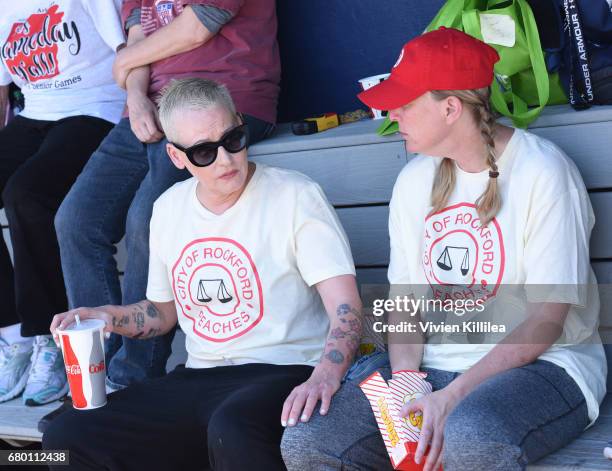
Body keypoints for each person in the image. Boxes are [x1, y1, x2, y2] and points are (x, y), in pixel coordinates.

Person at [281, 27, 607, 471]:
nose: (392, 114)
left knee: (468, 436)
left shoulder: (543, 171)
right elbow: (405, 305)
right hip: (433, 364)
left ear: (451, 108)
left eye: (406, 104)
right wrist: (408, 383)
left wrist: (452, 396)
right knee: (311, 441)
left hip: (545, 367)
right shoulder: (415, 179)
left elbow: (547, 319)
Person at [43, 77, 362, 471]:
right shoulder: (168, 208)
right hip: (199, 378)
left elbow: (346, 307)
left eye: (233, 139)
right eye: (204, 152)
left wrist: (327, 374)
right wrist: (109, 317)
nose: (226, 160)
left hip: (285, 370)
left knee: (232, 426)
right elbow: (162, 314)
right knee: (64, 437)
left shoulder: (295, 195)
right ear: (177, 157)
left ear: (242, 124)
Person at [53, 0, 279, 396]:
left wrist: (123, 63)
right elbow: (138, 37)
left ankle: (132, 379)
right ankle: (95, 372)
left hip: (221, 101)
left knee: (147, 217)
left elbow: (198, 27)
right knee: (75, 221)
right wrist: (135, 93)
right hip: (150, 106)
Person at [0, 0, 125, 406]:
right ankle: (14, 335)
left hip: (96, 107)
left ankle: (49, 339)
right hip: (35, 112)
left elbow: (129, 47)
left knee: (26, 193)